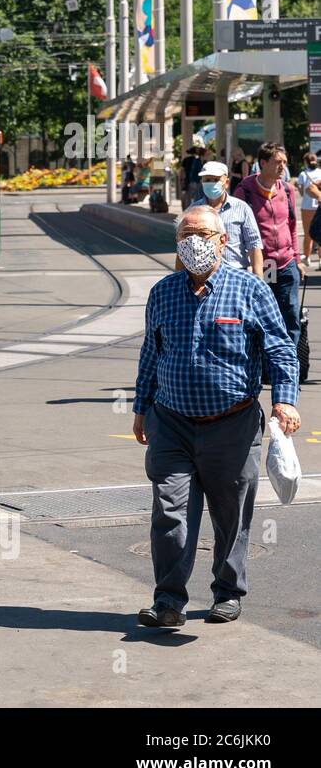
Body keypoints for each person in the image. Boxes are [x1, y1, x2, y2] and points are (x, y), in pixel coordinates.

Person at [132, 204, 299, 628]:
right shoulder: (163, 292)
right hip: (170, 422)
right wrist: (140, 408)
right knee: (170, 512)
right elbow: (151, 353)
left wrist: (285, 399)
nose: (194, 244)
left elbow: (280, 347)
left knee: (231, 513)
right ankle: (168, 601)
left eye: (203, 235)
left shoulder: (250, 289)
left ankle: (227, 591)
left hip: (233, 425)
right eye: (185, 236)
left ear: (223, 240)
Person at [233, 143, 304, 347]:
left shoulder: (287, 190)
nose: (282, 166)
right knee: (261, 317)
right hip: (260, 266)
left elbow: (291, 225)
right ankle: (264, 366)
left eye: (284, 162)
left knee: (290, 317)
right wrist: (245, 263)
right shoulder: (244, 191)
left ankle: (289, 367)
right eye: (277, 162)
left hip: (286, 263)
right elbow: (237, 231)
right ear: (262, 163)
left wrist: (297, 259)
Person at [180, 160, 263, 276]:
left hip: (236, 275)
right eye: (207, 180)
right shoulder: (193, 210)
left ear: (226, 182)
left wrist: (259, 281)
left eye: (216, 180)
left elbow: (254, 246)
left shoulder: (242, 208)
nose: (212, 184)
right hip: (202, 278)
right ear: (202, 182)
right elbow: (183, 246)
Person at [296, 152, 321, 266]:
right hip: (318, 205)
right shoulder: (320, 172)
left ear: (305, 162)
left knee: (308, 234)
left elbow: (302, 191)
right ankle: (320, 260)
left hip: (307, 206)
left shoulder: (303, 174)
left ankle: (307, 257)